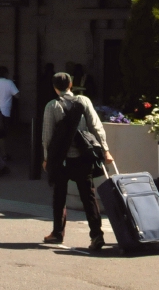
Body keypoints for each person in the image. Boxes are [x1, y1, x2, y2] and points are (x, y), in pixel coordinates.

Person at [42, 71, 112, 250]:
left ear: (54, 87)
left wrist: (46, 158)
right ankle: (96, 235)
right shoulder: (84, 101)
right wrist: (105, 150)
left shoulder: (52, 106)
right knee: (88, 196)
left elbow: (47, 136)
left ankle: (57, 233)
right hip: (83, 157)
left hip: (61, 159)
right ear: (71, 85)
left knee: (59, 195)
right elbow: (96, 126)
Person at [0, 66, 20, 170]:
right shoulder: (9, 83)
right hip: (4, 112)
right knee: (1, 135)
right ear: (6, 73)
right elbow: (17, 95)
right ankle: (1, 155)